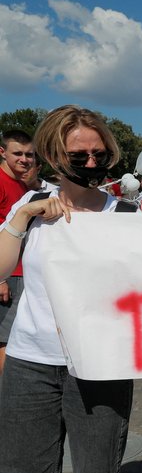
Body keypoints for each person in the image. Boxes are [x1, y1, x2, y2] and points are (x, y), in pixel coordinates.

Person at [0, 105, 134, 473]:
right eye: (80, 153)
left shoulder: (125, 215)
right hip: (32, 361)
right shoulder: (32, 206)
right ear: (55, 153)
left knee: (99, 469)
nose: (92, 159)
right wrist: (22, 215)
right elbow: (1, 266)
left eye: (99, 152)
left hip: (99, 363)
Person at [0, 129, 35, 375]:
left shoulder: (22, 186)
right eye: (18, 154)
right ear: (2, 152)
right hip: (9, 274)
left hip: (23, 272)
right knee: (6, 341)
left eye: (29, 154)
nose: (24, 159)